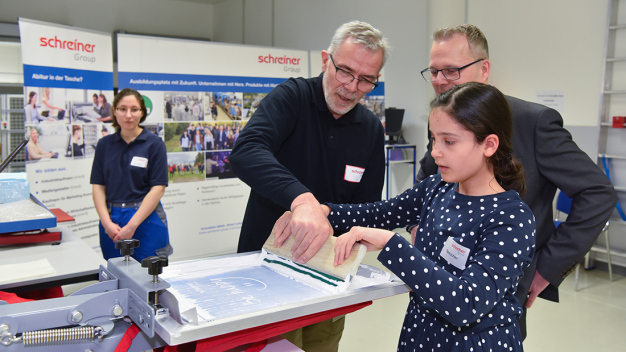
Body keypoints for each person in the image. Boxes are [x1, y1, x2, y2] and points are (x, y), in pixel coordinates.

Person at [411, 24, 617, 338]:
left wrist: (547, 268)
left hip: (499, 295)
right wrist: (419, 228)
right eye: (434, 71)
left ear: (484, 70)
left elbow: (597, 192)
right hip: (440, 286)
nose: (440, 82)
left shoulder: (532, 123)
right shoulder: (443, 119)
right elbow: (426, 178)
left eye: (451, 71)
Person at [299, 82, 535, 351]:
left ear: (489, 144)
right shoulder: (437, 187)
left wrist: (391, 245)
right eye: (434, 139)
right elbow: (382, 213)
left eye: (449, 141)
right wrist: (323, 211)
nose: (435, 151)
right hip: (422, 334)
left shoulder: (511, 218)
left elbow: (466, 304)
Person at [230, 20, 390, 352]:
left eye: (366, 80)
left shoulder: (371, 129)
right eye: (345, 71)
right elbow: (246, 151)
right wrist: (300, 200)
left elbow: (368, 210)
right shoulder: (293, 97)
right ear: (324, 60)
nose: (351, 87)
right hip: (268, 268)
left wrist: (325, 218)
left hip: (328, 276)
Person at [90, 88, 172, 262]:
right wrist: (106, 223)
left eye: (134, 109)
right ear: (114, 111)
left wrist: (132, 225)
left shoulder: (154, 144)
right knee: (117, 277)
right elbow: (98, 186)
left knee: (150, 280)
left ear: (142, 113)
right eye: (122, 109)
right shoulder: (104, 145)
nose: (128, 115)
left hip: (146, 218)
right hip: (112, 220)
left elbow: (158, 189)